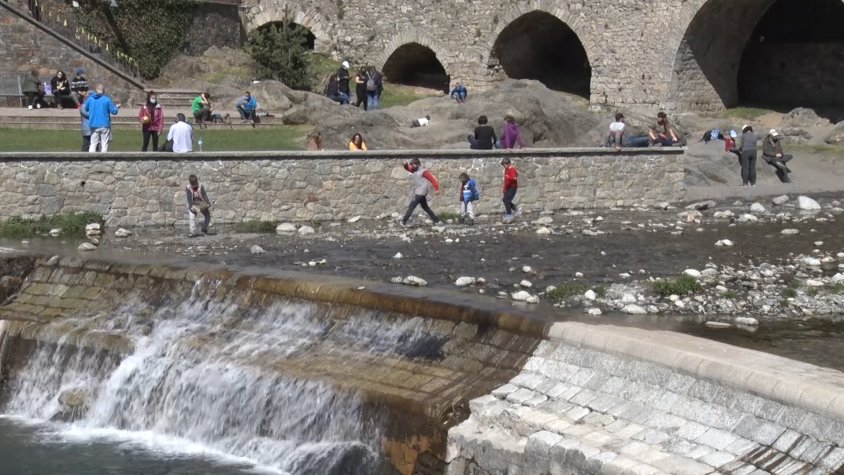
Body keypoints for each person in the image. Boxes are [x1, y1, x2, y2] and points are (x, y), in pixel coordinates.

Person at [401, 157, 440, 226]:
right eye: (411, 165)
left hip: (420, 193)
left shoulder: (424, 172)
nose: (412, 166)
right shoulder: (414, 170)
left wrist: (436, 189)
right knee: (426, 207)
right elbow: (407, 168)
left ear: (418, 164)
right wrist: (405, 164)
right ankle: (436, 220)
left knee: (411, 206)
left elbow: (432, 180)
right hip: (420, 192)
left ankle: (403, 222)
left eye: (413, 165)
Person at [83, 83, 120, 153]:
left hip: (93, 124)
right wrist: (117, 107)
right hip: (104, 124)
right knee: (104, 143)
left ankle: (91, 159)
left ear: (96, 90)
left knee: (93, 143)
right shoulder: (107, 99)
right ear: (103, 91)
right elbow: (114, 111)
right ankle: (103, 160)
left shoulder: (90, 99)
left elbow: (86, 108)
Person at [501, 157, 520, 222]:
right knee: (504, 199)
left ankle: (509, 214)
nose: (504, 166)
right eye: (503, 165)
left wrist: (509, 177)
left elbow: (515, 177)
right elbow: (506, 181)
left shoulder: (511, 169)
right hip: (507, 187)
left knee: (507, 200)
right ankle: (516, 209)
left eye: (505, 164)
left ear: (508, 163)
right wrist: (504, 189)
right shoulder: (507, 169)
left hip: (512, 188)